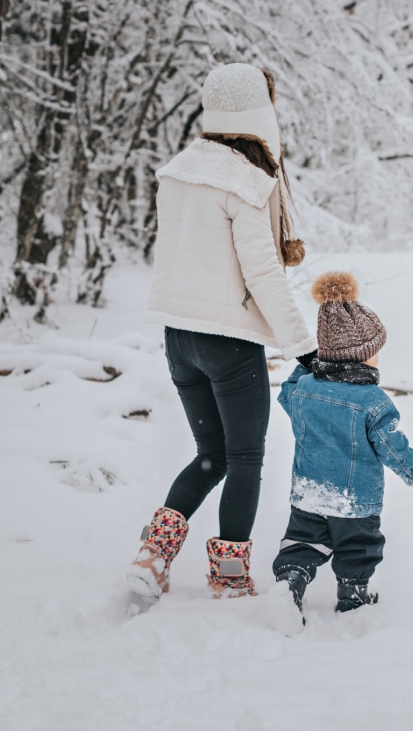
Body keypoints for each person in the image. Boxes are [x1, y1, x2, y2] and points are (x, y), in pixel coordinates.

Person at [127, 62, 317, 601]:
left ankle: (152, 556)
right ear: (262, 115)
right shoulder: (248, 182)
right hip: (228, 344)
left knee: (210, 454)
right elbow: (261, 273)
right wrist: (303, 346)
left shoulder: (180, 171)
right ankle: (229, 577)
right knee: (245, 459)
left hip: (178, 338)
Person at [267, 271, 413, 630]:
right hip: (354, 499)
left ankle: (289, 585)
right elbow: (394, 448)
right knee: (359, 546)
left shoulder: (303, 391)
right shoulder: (372, 402)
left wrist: (307, 365)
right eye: (375, 351)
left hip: (308, 493)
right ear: (362, 356)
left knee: (302, 542)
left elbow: (286, 392)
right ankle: (354, 595)